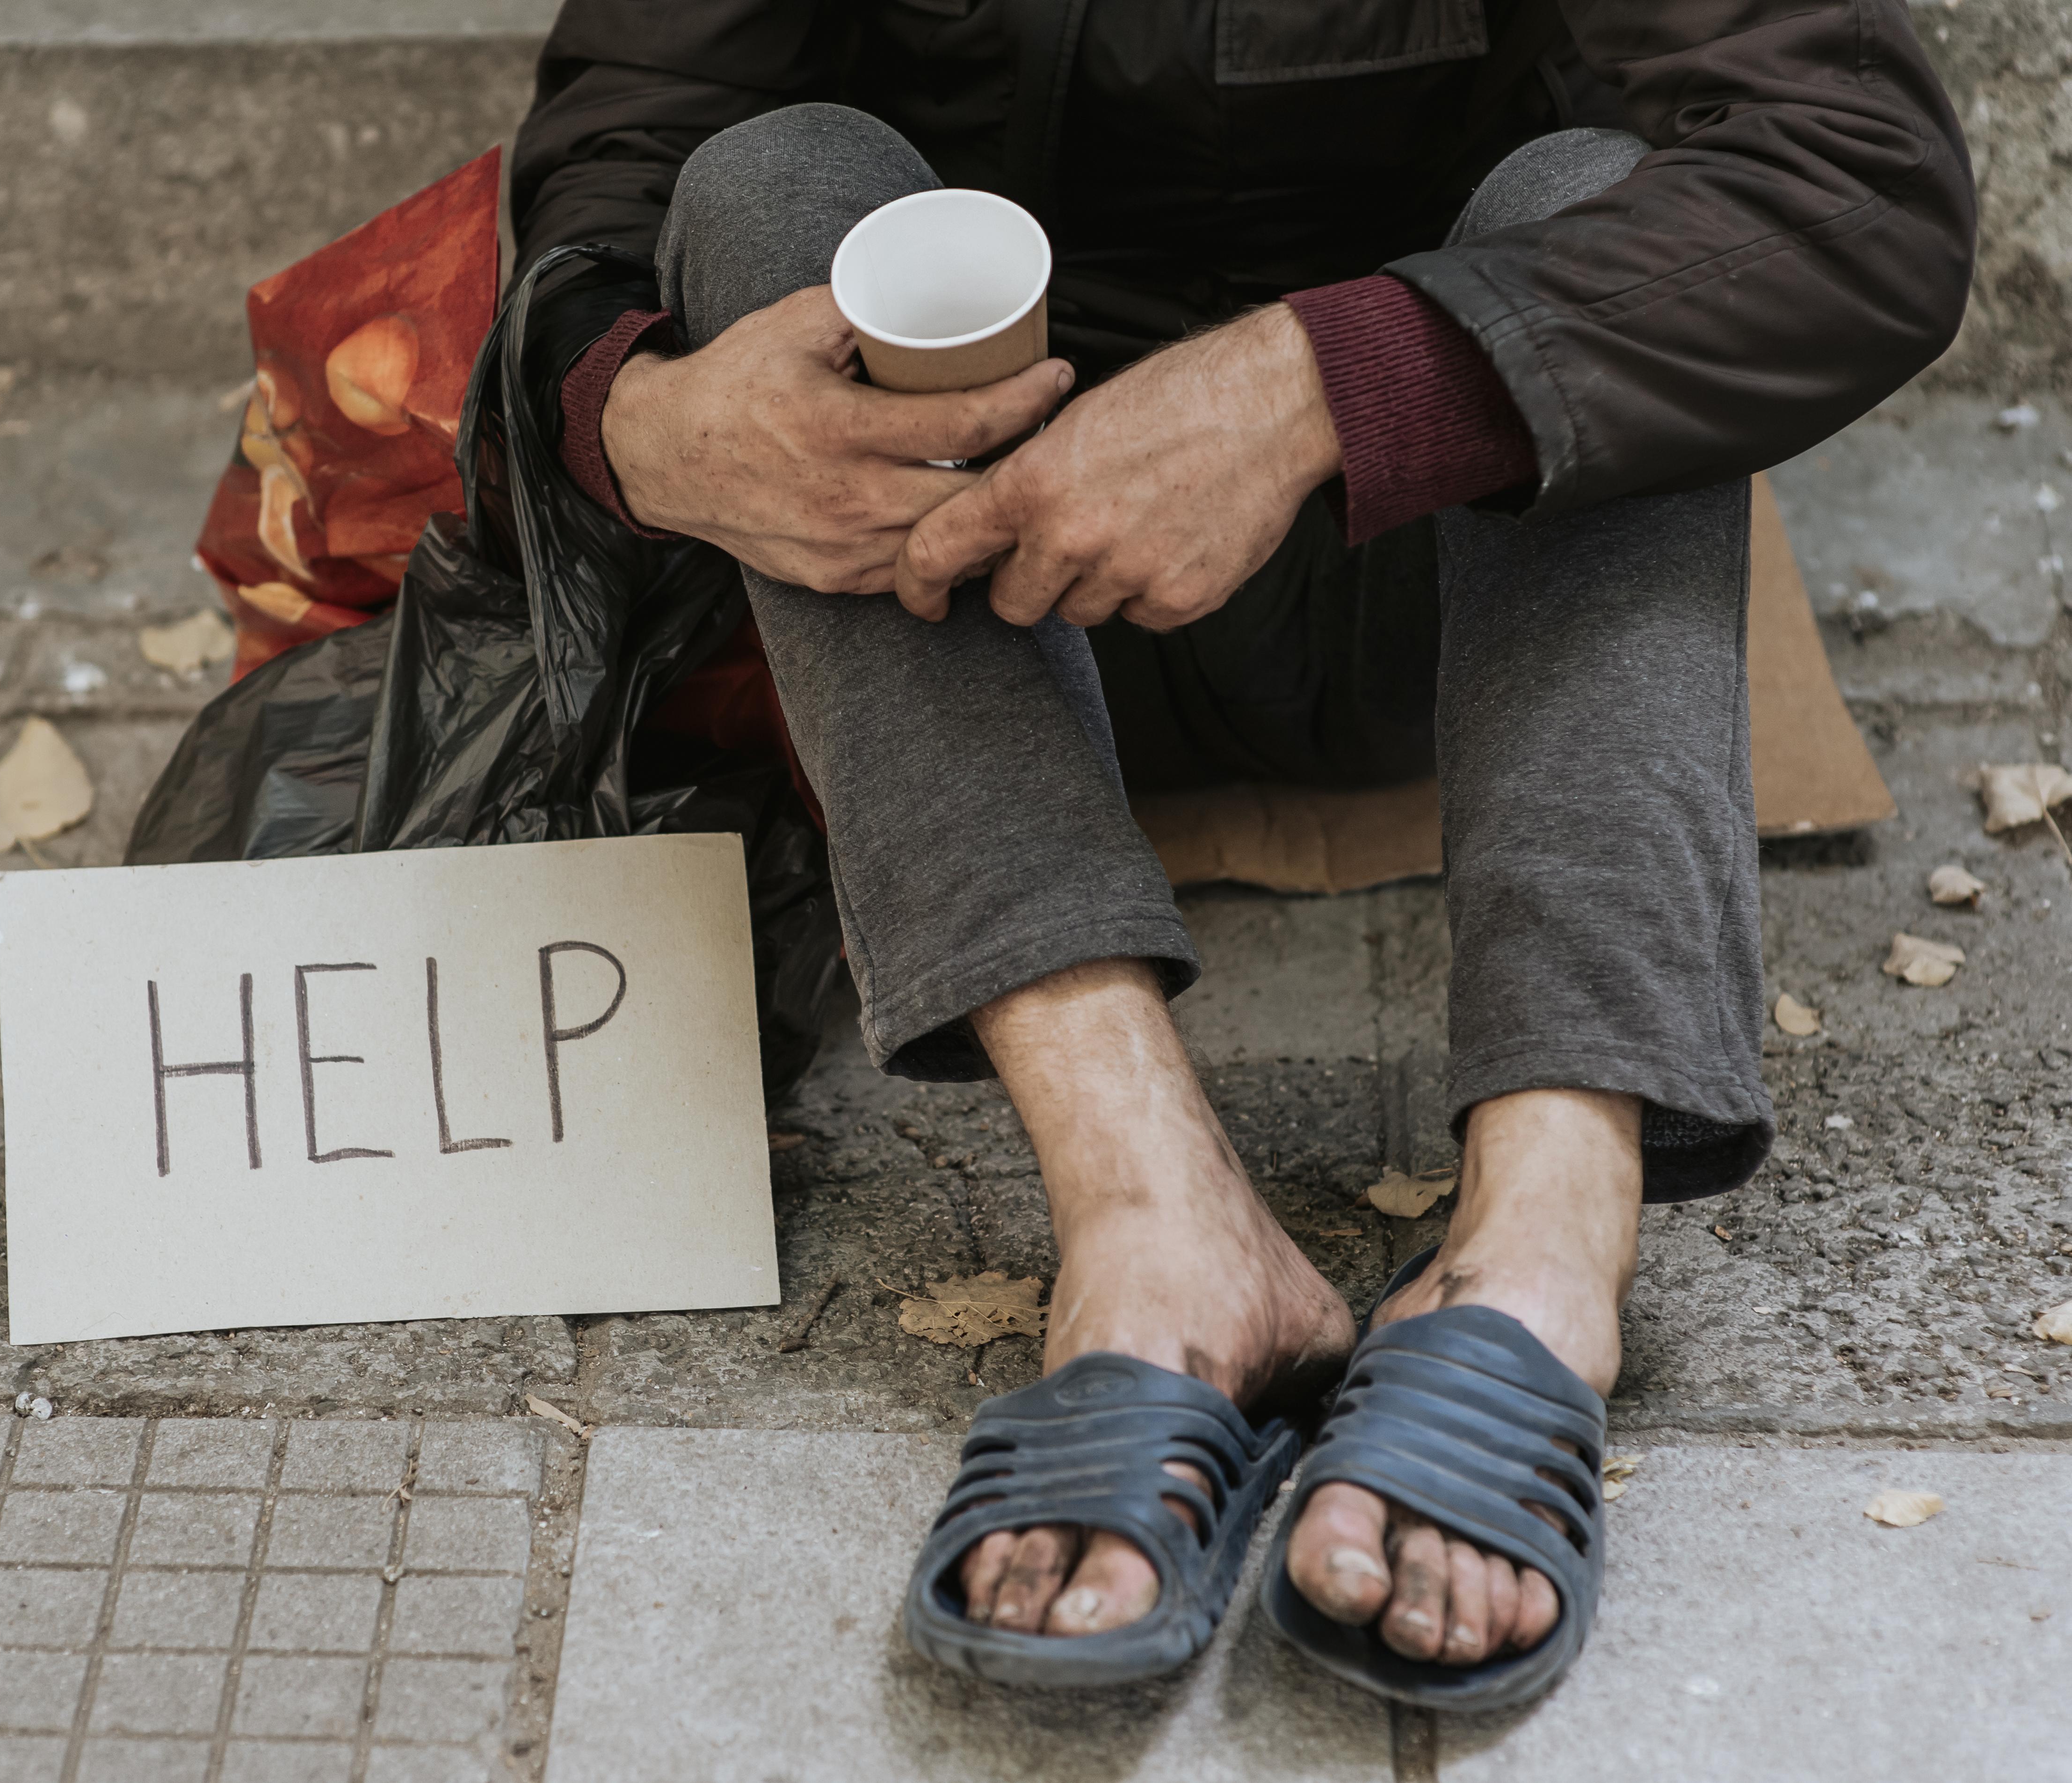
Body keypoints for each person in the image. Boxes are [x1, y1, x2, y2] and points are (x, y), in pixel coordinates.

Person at [510, 0, 1973, 1703]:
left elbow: (1864, 181)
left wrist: (1307, 385)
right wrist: (638, 420)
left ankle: (1546, 1241)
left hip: (1432, 551)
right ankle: (1154, 1216)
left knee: (1612, 203)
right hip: (962, 596)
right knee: (778, 183)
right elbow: (621, 155)